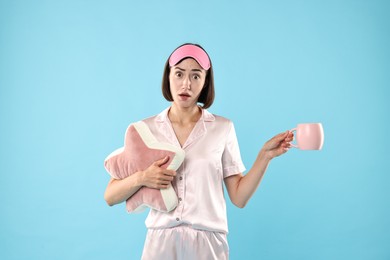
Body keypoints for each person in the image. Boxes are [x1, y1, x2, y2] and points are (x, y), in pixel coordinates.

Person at [104, 43, 294, 259]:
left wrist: (264, 156)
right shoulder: (145, 130)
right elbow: (110, 196)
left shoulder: (222, 128)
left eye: (196, 76)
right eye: (179, 74)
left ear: (205, 83)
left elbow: (239, 198)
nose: (186, 83)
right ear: (168, 77)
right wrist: (143, 178)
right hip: (160, 243)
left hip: (208, 244)